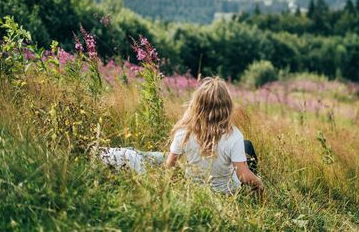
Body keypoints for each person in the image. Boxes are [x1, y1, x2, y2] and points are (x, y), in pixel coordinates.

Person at [96, 77, 263, 195]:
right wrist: (259, 184)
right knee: (247, 147)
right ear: (227, 106)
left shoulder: (184, 131)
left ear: (197, 104)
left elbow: (170, 166)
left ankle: (120, 153)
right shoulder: (234, 136)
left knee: (158, 157)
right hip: (227, 193)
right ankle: (252, 194)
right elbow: (242, 175)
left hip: (196, 192)